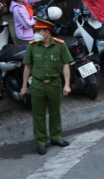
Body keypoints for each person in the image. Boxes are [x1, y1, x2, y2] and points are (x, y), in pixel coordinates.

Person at [20, 18, 72, 155]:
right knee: (38, 115)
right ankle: (41, 142)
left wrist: (67, 85)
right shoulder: (32, 46)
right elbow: (27, 66)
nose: (36, 34)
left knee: (55, 112)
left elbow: (66, 64)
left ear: (46, 32)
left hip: (55, 83)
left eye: (38, 31)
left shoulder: (60, 45)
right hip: (37, 84)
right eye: (35, 31)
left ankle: (56, 137)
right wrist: (24, 86)